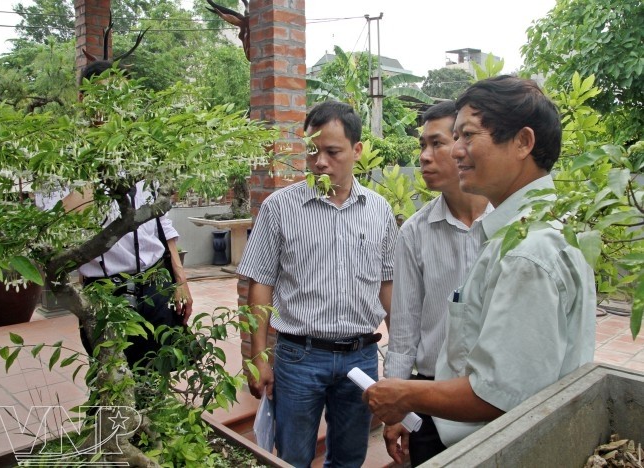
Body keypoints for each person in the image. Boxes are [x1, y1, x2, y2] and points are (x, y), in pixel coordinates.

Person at [364, 76, 596, 449]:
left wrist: (404, 396)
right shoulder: (527, 231)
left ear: (522, 142)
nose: (456, 152)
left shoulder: (528, 253)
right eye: (453, 138)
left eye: (467, 136)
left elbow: (498, 392)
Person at [237, 100, 397, 467]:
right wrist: (258, 358)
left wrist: (400, 358)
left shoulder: (379, 210)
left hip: (361, 357)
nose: (320, 161)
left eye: (332, 151)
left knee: (350, 456)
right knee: (293, 456)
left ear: (356, 151)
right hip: (299, 356)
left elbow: (388, 285)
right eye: (312, 150)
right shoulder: (280, 207)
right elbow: (260, 283)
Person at [383, 101, 491, 466]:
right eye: (421, 146)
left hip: (493, 393)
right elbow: (403, 332)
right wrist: (397, 407)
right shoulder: (414, 232)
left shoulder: (511, 226)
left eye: (437, 143)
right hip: (430, 394)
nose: (425, 157)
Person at [70, 61, 193, 368]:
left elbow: (160, 220)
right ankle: (115, 419)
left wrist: (180, 278)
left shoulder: (139, 151)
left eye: (120, 96)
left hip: (156, 282)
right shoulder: (68, 157)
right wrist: (91, 152)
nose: (113, 105)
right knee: (113, 386)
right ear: (84, 100)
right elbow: (74, 223)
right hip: (106, 292)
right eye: (104, 95)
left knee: (159, 378)